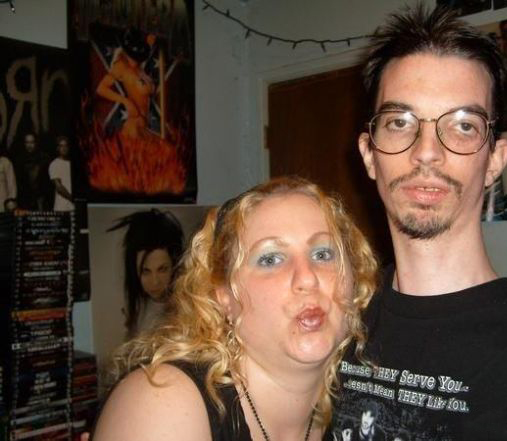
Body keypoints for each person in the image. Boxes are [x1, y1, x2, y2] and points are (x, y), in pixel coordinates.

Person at [330, 4, 507, 441]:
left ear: (495, 162)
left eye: (464, 125)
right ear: (369, 154)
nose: (427, 152)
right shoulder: (331, 329)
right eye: (399, 122)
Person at [91, 176, 378, 441]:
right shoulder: (163, 403)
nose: (307, 278)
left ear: (354, 279)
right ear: (224, 297)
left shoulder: (363, 407)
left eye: (323, 253)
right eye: (270, 259)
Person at [107, 209, 185, 338]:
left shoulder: (187, 309)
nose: (154, 282)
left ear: (174, 266)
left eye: (162, 269)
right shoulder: (134, 309)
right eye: (145, 271)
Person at [11, 133, 51, 211]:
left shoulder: (44, 159)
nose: (29, 145)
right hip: (25, 200)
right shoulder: (19, 160)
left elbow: (47, 182)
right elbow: (18, 183)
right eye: (27, 142)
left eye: (32, 142)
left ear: (36, 143)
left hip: (41, 200)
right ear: (24, 143)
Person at [48, 136, 74, 211]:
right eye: (61, 146)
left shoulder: (73, 164)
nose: (64, 148)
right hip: (61, 207)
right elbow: (59, 187)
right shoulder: (54, 164)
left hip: (74, 207)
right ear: (58, 148)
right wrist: (72, 198)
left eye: (66, 146)